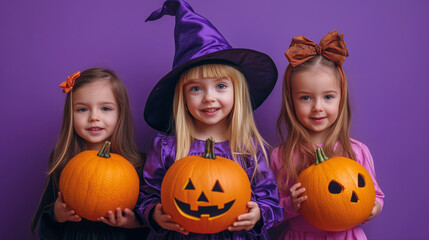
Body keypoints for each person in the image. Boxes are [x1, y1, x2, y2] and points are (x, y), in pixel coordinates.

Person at [136, 0, 283, 239]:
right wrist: (154, 213)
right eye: (196, 89)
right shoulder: (166, 148)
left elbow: (271, 200)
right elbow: (147, 196)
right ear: (182, 97)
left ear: (237, 92)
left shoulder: (249, 149)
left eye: (221, 86)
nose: (209, 98)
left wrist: (259, 214)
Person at [269, 30, 385, 239]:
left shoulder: (356, 151)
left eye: (328, 97)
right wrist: (290, 205)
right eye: (306, 98)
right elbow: (271, 210)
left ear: (341, 98)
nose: (317, 108)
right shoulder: (281, 156)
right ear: (291, 102)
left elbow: (375, 196)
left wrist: (372, 208)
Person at [31, 68, 149, 239]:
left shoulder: (138, 163)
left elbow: (148, 219)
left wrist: (134, 222)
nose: (94, 117)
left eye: (106, 108)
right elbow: (46, 218)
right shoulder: (62, 160)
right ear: (70, 115)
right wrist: (57, 215)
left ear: (120, 113)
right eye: (82, 109)